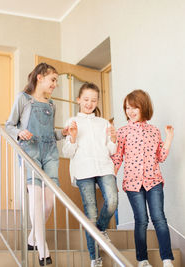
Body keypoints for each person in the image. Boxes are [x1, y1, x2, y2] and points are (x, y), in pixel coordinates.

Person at [5, 62, 67, 266]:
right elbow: (9, 126)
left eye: (56, 81)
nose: (55, 84)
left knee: (49, 202)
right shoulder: (23, 99)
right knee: (37, 200)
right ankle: (43, 251)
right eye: (53, 80)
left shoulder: (51, 105)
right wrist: (20, 133)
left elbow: (50, 134)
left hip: (49, 154)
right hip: (30, 152)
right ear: (40, 77)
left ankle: (33, 237)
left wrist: (63, 133)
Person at [112, 89, 175, 267]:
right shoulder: (122, 132)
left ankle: (167, 259)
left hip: (153, 181)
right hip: (132, 183)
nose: (130, 112)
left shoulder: (154, 131)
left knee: (159, 218)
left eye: (135, 108)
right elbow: (117, 157)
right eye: (127, 108)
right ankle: (142, 260)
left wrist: (169, 138)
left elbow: (161, 156)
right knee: (141, 220)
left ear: (144, 107)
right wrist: (111, 180)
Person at [62, 82, 118, 267]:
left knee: (112, 201)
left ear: (97, 102)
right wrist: (73, 137)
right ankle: (95, 259)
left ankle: (100, 230)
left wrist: (113, 139)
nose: (89, 103)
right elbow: (67, 152)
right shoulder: (71, 122)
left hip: (104, 167)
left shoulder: (103, 123)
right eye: (86, 99)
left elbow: (111, 150)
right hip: (84, 170)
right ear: (78, 100)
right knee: (91, 214)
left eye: (93, 100)